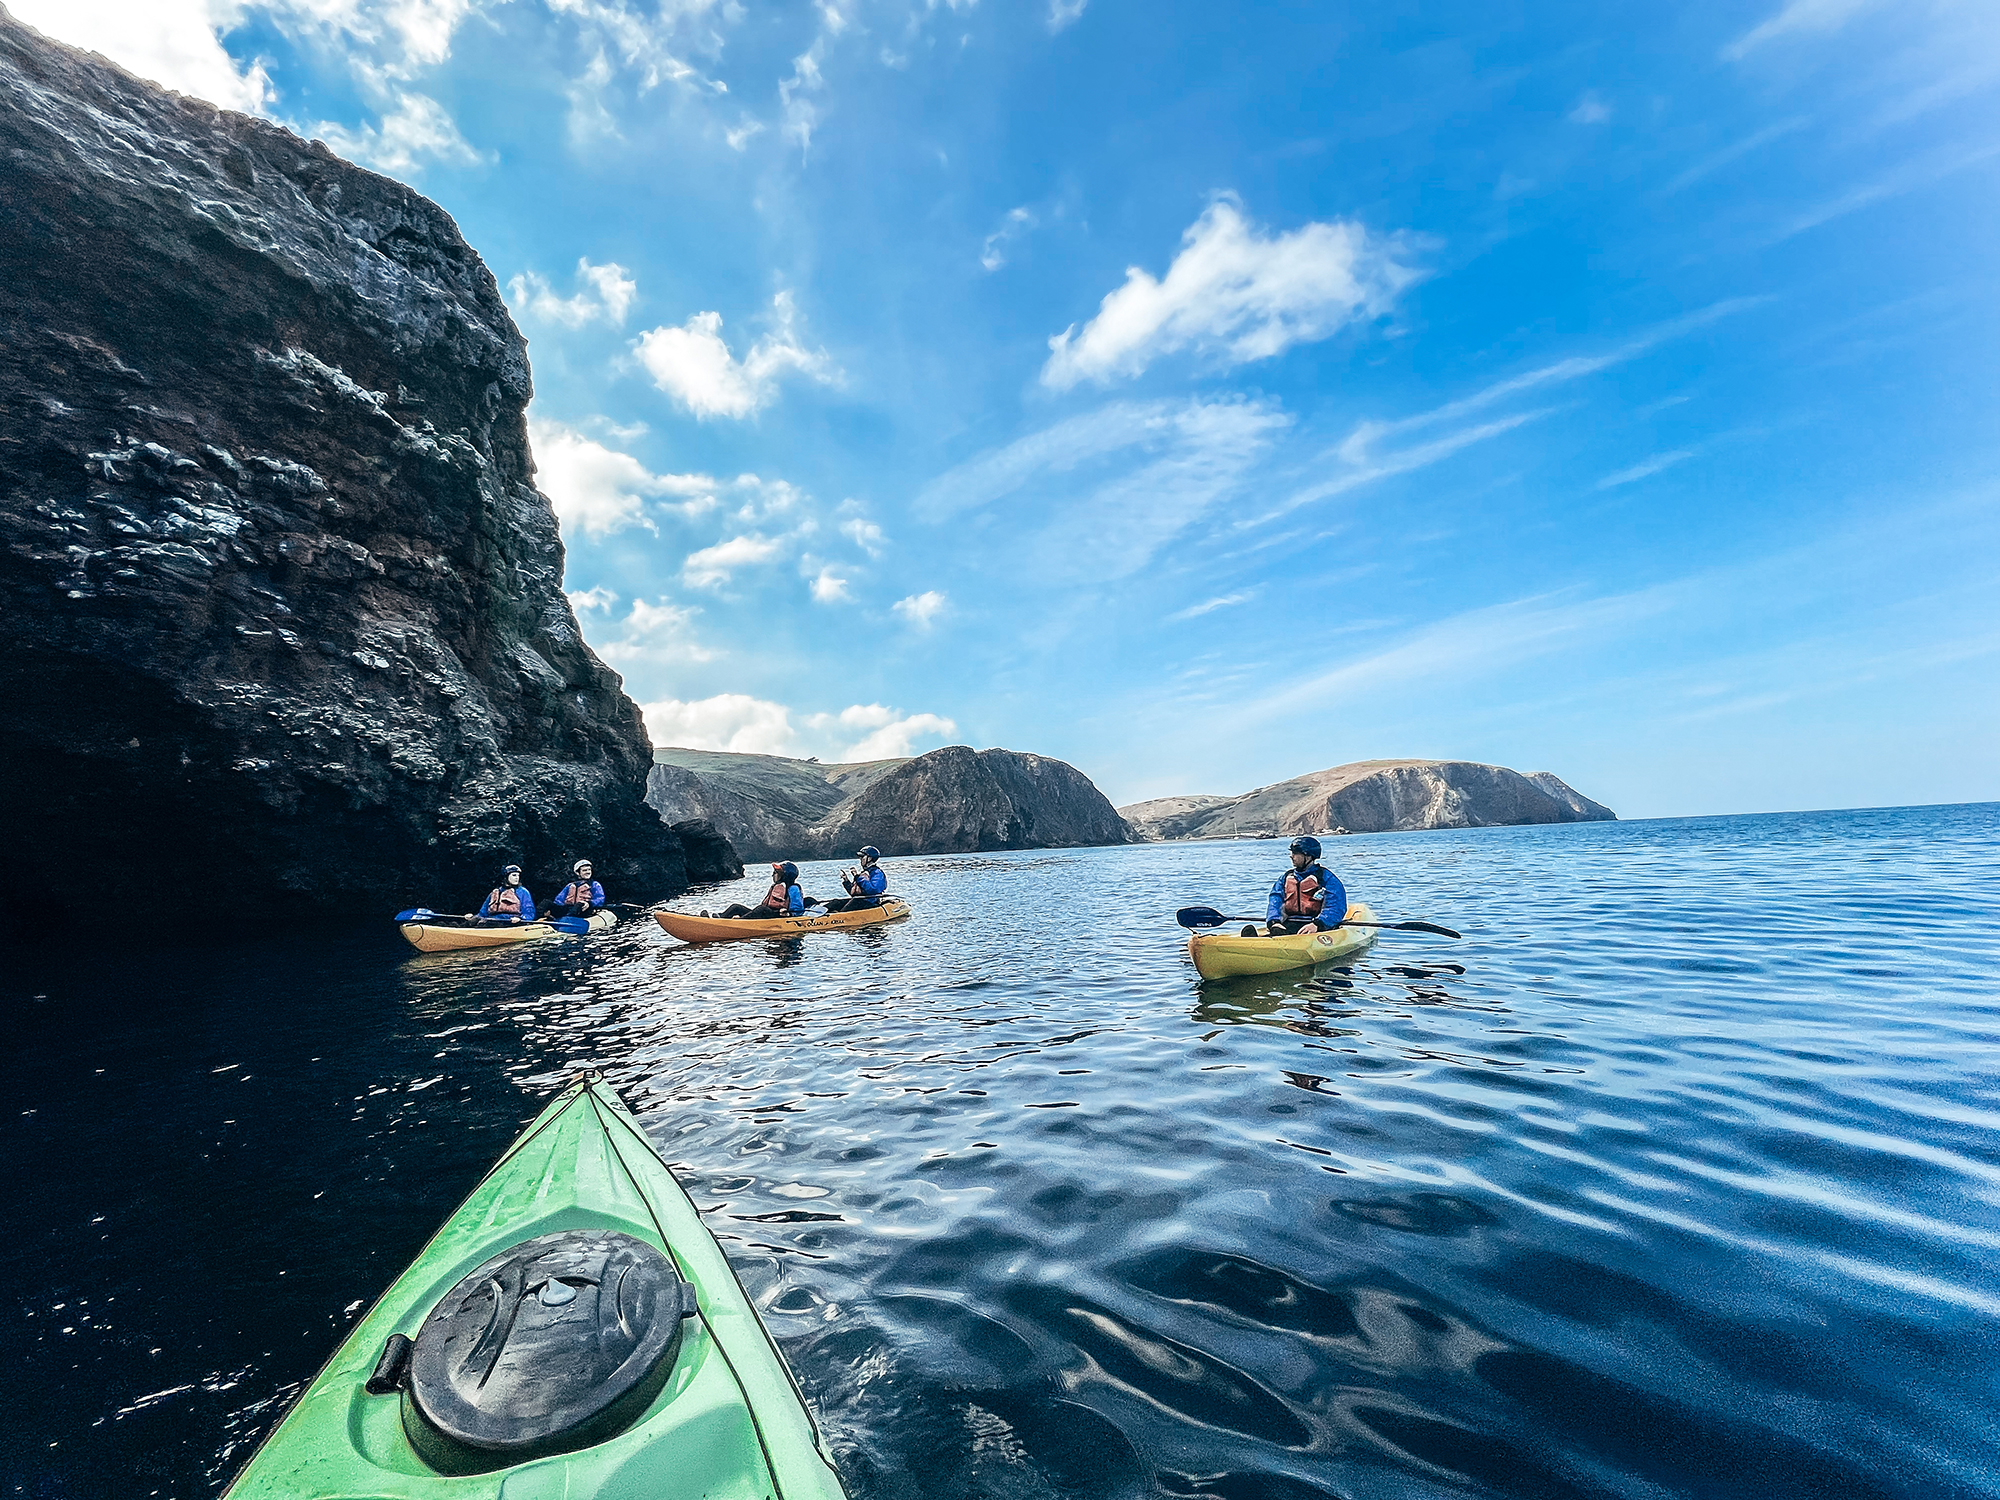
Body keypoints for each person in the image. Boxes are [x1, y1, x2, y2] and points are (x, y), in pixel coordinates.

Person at [1248, 836, 1347, 937]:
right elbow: (1275, 901)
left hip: (1317, 926)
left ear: (1307, 855)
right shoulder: (1286, 878)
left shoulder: (1327, 878)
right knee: (1279, 931)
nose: (1291, 856)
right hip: (1290, 924)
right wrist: (1274, 922)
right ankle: (1259, 938)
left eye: (1295, 853)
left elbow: (1336, 906)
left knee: (1302, 931)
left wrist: (1318, 924)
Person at [715, 861, 809, 919]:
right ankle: (718, 919)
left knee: (761, 909)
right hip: (768, 913)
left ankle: (738, 923)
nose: (773, 875)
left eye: (776, 873)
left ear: (785, 875)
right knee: (736, 907)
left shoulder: (793, 889)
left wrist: (789, 914)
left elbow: (797, 910)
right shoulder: (777, 886)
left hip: (780, 916)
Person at [820, 846, 887, 912]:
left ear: (869, 858)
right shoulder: (864, 873)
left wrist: (857, 877)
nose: (861, 859)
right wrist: (846, 881)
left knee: (855, 902)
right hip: (859, 901)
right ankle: (817, 913)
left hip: (870, 903)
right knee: (836, 902)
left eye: (862, 857)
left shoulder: (877, 873)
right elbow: (853, 893)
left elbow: (873, 889)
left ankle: (838, 917)